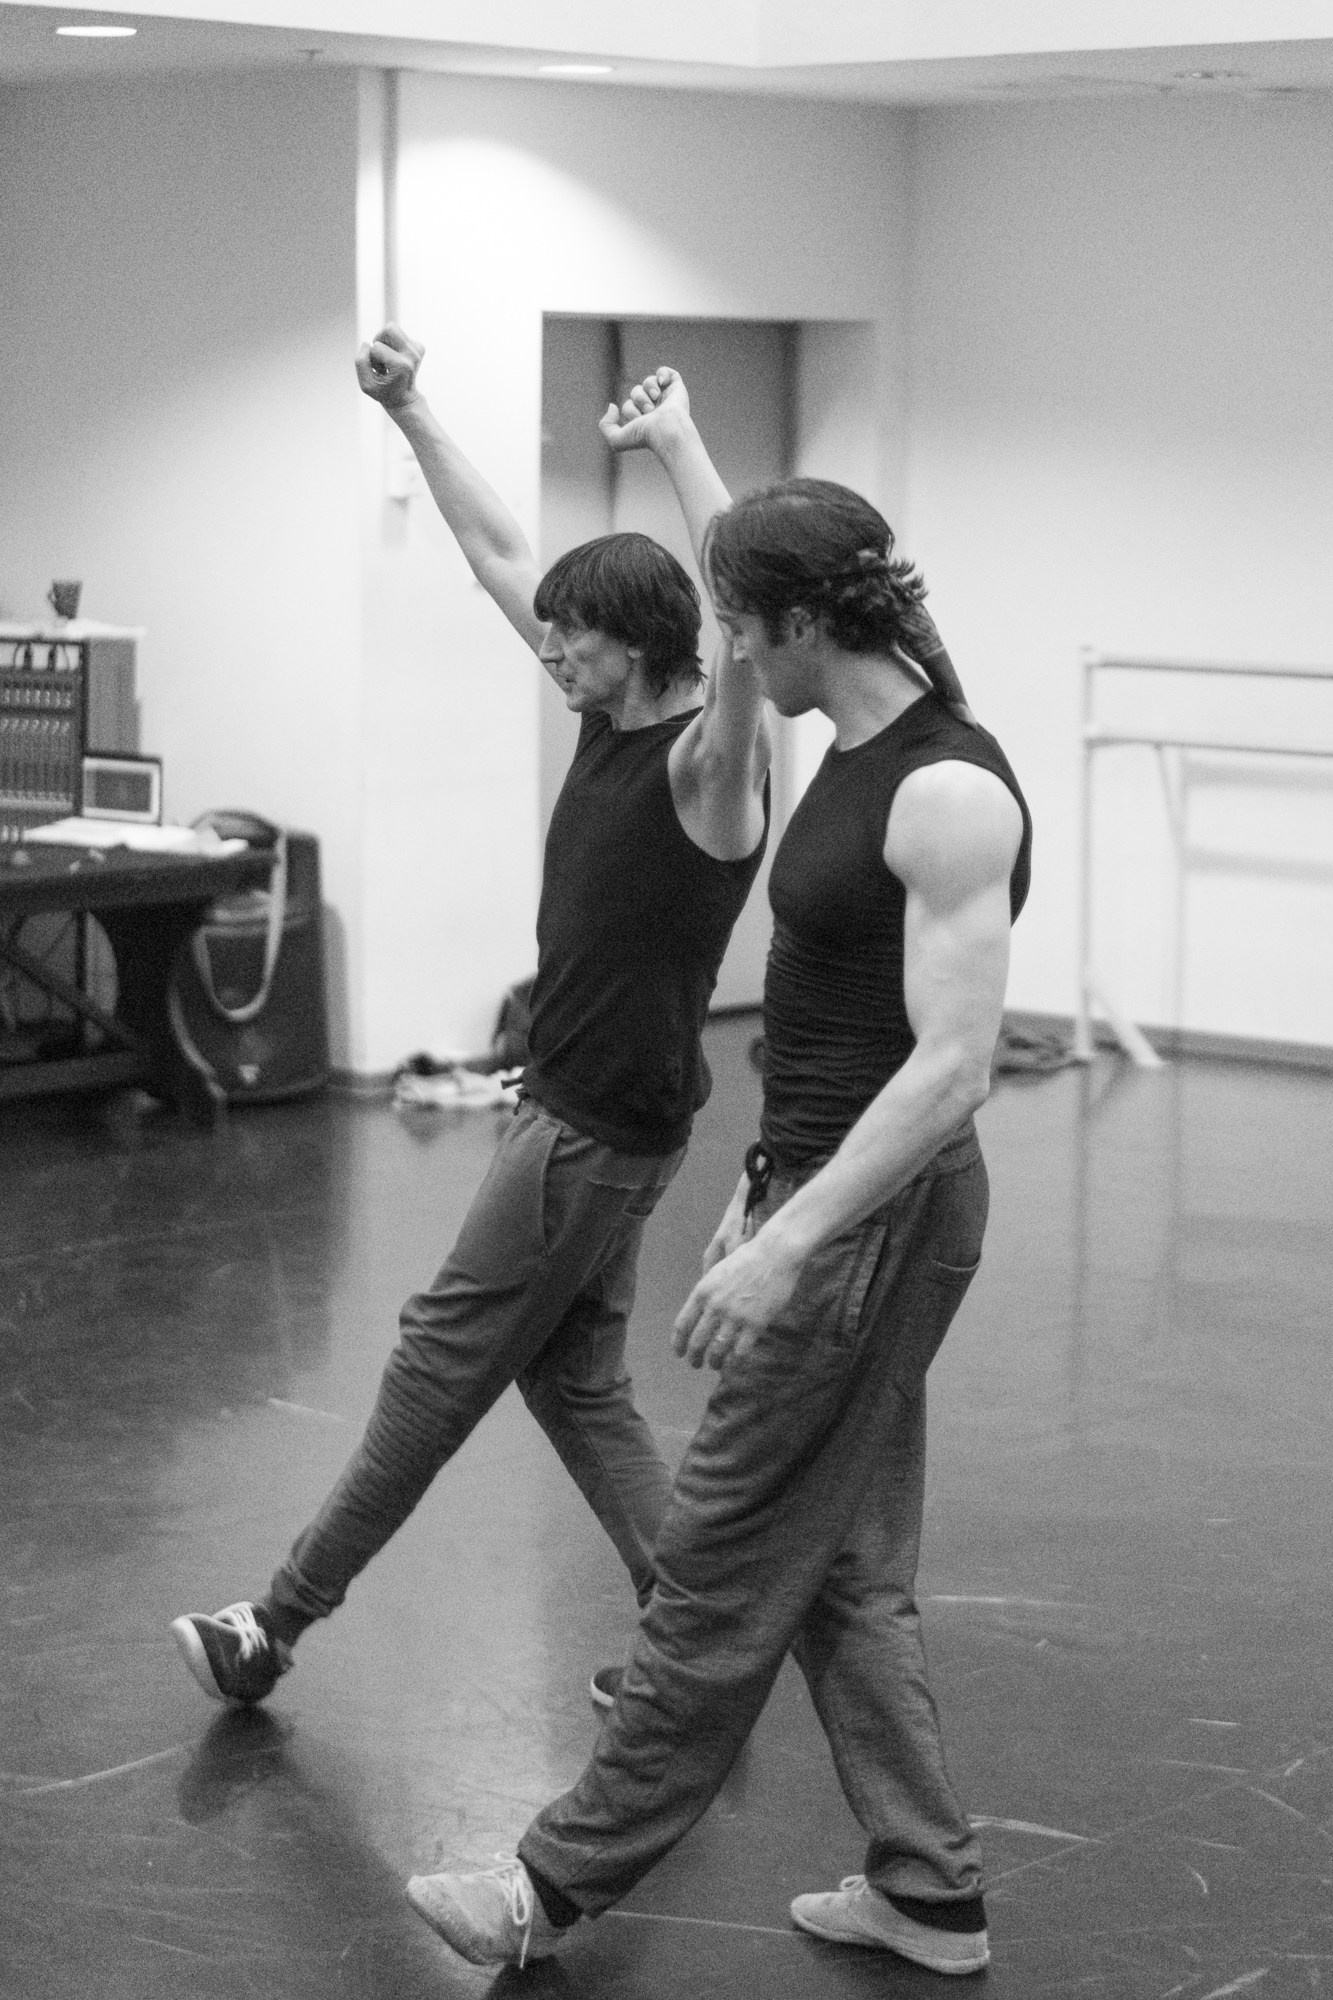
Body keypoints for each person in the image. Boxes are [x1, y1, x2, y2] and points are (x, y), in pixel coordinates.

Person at [405, 413, 1033, 1977]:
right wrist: (685, 444)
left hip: (872, 1222)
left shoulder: (945, 793)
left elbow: (953, 1068)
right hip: (829, 1194)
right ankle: (928, 1888)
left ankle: (547, 1889)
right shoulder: (867, 735)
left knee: (717, 1562)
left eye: (744, 626)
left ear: (807, 622)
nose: (730, 654)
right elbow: (760, 559)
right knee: (845, 1575)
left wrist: (789, 1241)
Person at [170, 331, 769, 1707]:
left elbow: (740, 620)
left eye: (573, 638)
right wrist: (414, 412)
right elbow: (500, 551)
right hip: (587, 1115)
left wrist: (680, 445)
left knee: (439, 1365)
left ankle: (274, 1625)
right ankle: (701, 1644)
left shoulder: (710, 767)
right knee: (577, 1386)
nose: (548, 650)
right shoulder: (609, 717)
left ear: (646, 645)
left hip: (587, 1136)